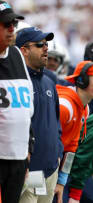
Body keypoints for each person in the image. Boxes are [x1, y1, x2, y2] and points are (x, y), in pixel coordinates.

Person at [15, 26, 64, 203]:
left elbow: (56, 121)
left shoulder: (50, 80)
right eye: (40, 44)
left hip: (50, 169)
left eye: (46, 44)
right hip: (27, 171)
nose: (46, 48)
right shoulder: (15, 82)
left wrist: (57, 152)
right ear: (24, 51)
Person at [53, 61, 93, 202]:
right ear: (81, 81)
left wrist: (61, 181)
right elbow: (45, 141)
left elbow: (72, 147)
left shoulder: (85, 108)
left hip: (57, 166)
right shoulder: (65, 106)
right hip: (42, 165)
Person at [0, 2, 35, 203]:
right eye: (5, 24)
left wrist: (28, 145)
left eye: (13, 23)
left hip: (18, 157)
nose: (12, 28)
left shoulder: (16, 55)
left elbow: (26, 106)